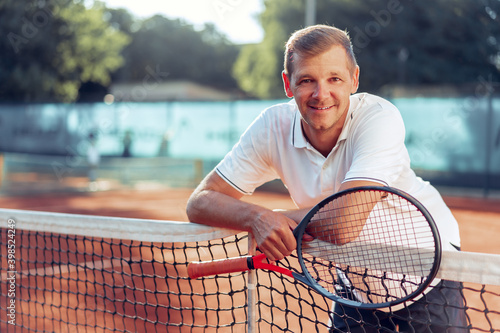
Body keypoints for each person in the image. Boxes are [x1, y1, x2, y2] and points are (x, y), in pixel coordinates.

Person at [186, 24, 468, 332]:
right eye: (307, 80)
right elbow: (199, 203)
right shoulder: (271, 127)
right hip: (357, 283)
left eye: (334, 78)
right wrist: (256, 217)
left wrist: (281, 219)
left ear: (354, 79)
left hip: (428, 274)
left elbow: (345, 224)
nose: (322, 94)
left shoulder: (378, 118)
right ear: (287, 83)